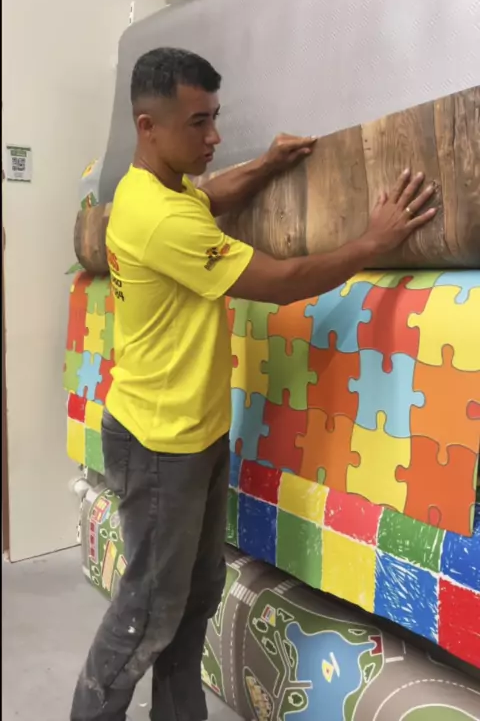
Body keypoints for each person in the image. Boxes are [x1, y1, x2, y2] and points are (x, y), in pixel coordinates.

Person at [71, 48, 437, 721]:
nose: (214, 137)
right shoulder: (162, 219)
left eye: (216, 117)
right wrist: (371, 241)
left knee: (195, 598)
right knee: (147, 613)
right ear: (148, 127)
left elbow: (209, 196)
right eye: (199, 123)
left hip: (193, 432)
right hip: (160, 443)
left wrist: (266, 164)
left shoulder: (153, 189)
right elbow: (280, 282)